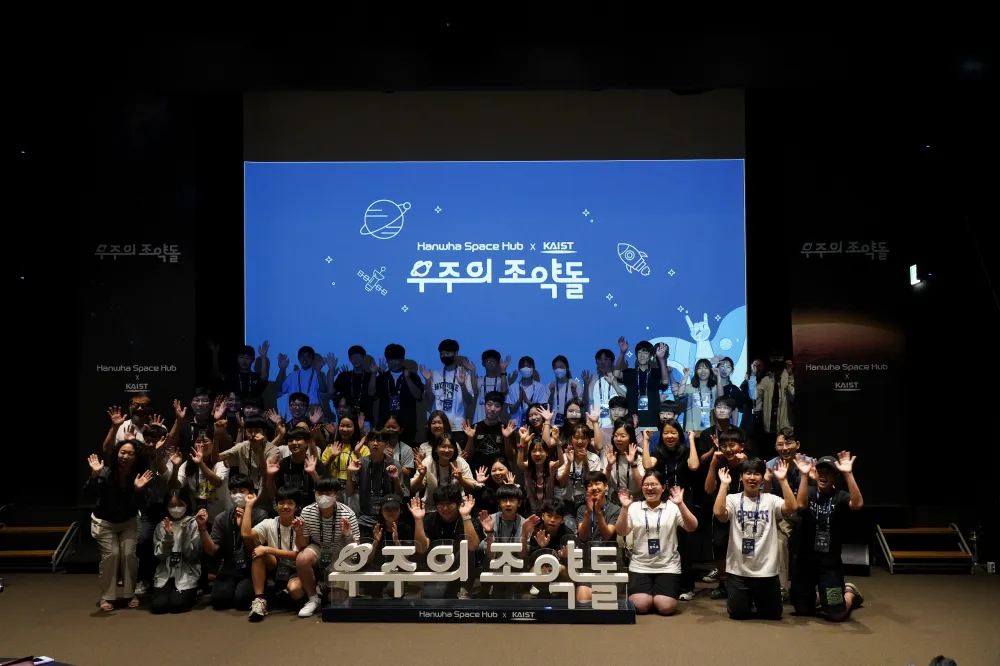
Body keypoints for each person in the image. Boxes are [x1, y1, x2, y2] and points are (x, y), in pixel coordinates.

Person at [713, 457, 797, 620]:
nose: (752, 477)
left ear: (762, 477)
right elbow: (718, 513)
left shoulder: (770, 499)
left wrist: (783, 480)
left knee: (772, 614)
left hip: (766, 570)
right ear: (741, 477)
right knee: (738, 614)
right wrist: (723, 485)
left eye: (756, 474)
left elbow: (791, 508)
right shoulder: (733, 499)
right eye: (748, 473)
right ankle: (747, 599)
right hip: (739, 569)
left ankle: (754, 599)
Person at [792, 452, 865, 621]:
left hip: (829, 563)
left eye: (828, 472)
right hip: (805, 561)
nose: (823, 476)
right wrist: (804, 475)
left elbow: (858, 504)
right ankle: (822, 596)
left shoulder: (840, 496)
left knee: (836, 614)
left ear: (835, 477)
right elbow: (800, 505)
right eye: (820, 472)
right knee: (802, 609)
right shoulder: (809, 491)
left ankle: (849, 593)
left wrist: (848, 474)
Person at [615, 469, 699, 615]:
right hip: (640, 566)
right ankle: (650, 596)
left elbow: (692, 527)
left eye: (654, 484)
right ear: (641, 488)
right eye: (646, 485)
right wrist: (624, 507)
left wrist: (681, 504)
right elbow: (622, 531)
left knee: (666, 607)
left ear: (663, 487)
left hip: (667, 566)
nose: (650, 488)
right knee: (640, 606)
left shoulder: (672, 506)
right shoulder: (634, 507)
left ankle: (657, 596)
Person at [86, 441, 154, 611]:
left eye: (130, 453)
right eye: (123, 452)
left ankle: (129, 594)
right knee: (112, 555)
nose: (125, 456)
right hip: (105, 522)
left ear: (136, 457)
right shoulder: (105, 472)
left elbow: (141, 505)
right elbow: (88, 493)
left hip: (128, 522)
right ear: (117, 453)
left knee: (129, 555)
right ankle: (107, 596)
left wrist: (138, 490)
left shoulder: (140, 476)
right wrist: (94, 474)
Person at [200, 473, 269, 612]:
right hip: (229, 567)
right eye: (233, 491)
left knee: (242, 600)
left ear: (251, 494)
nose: (237, 495)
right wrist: (202, 528)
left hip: (251, 567)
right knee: (219, 600)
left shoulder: (261, 515)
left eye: (242, 491)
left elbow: (256, 550)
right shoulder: (222, 517)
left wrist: (243, 525)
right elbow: (212, 550)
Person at [295, 477, 361, 618]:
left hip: (341, 551)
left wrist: (348, 535)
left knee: (335, 599)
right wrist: (299, 534)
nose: (323, 497)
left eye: (328, 493)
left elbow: (355, 550)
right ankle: (313, 599)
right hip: (319, 547)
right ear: (314, 492)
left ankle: (324, 589)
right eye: (320, 493)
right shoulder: (307, 511)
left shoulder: (347, 513)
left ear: (336, 494)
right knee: (302, 558)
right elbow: (302, 545)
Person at [244, 486, 307, 621]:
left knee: (295, 590)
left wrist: (268, 549)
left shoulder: (301, 524)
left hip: (296, 568)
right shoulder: (269, 523)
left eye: (290, 503)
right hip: (276, 566)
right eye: (281, 503)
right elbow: (246, 534)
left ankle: (291, 595)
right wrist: (248, 506)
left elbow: (298, 555)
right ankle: (259, 600)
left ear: (296, 506)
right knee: (259, 553)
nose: (285, 506)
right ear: (276, 505)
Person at [410, 488, 481, 599]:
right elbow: (421, 548)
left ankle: (465, 587)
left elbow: (473, 546)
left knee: (466, 546)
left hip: (463, 573)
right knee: (430, 598)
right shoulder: (430, 519)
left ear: (458, 504)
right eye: (441, 504)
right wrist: (418, 520)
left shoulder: (469, 520)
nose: (445, 508)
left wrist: (466, 516)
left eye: (449, 504)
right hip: (438, 570)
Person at [151, 487, 202, 614]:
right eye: (172, 505)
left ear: (186, 504)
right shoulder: (161, 526)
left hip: (186, 573)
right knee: (158, 606)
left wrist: (185, 534)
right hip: (165, 574)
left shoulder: (193, 524)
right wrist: (168, 537)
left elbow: (192, 555)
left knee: (178, 605)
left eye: (180, 505)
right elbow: (160, 555)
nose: (176, 508)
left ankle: (192, 592)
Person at [478, 484, 531, 599]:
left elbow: (522, 555)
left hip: (516, 566)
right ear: (499, 503)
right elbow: (490, 556)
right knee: (482, 546)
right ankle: (487, 588)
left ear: (519, 503)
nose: (508, 504)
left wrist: (525, 533)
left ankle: (519, 588)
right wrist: (490, 532)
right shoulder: (490, 520)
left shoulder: (525, 523)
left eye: (512, 500)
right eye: (504, 500)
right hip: (494, 564)